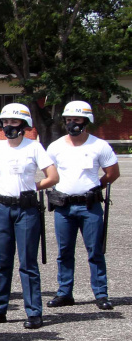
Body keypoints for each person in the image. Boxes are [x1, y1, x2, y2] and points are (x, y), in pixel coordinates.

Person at [0, 103, 59, 329]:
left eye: (13, 122)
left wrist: (33, 186)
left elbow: (52, 177)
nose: (8, 126)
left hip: (26, 208)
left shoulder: (34, 148)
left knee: (27, 263)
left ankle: (34, 311)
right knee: (2, 262)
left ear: (24, 125)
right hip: (2, 208)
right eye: (5, 122)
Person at [46, 101, 120, 310]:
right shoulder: (56, 146)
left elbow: (112, 173)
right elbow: (48, 173)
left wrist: (96, 187)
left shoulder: (99, 145)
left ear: (87, 121)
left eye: (76, 120)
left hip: (90, 206)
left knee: (95, 250)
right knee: (64, 251)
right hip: (63, 207)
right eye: (68, 120)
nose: (72, 124)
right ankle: (64, 293)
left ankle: (101, 293)